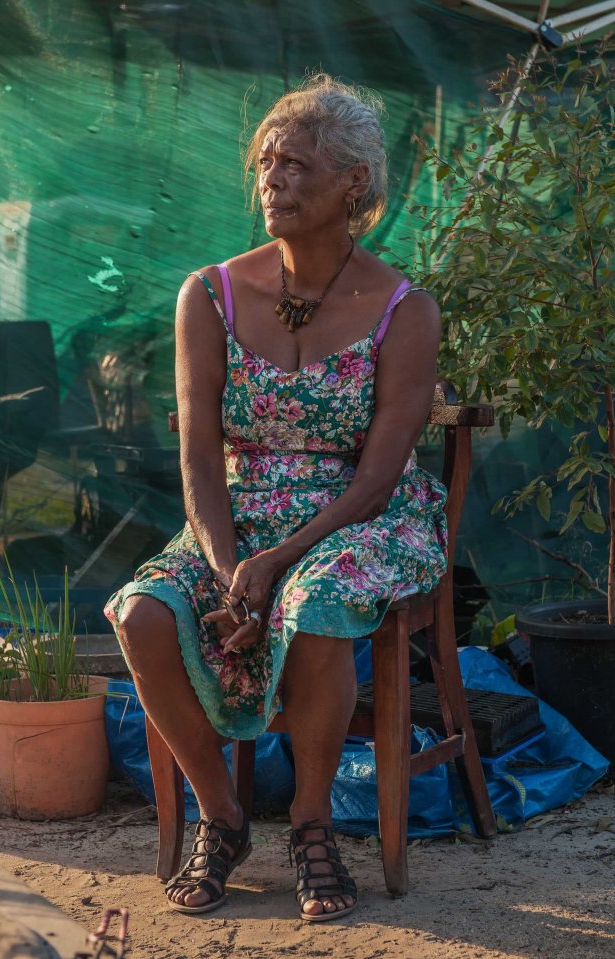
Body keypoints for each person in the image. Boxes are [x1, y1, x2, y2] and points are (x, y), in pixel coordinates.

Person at [105, 74, 447, 922]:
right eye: (265, 163)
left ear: (352, 185)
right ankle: (222, 817)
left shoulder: (407, 310)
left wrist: (274, 564)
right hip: (234, 517)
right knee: (141, 612)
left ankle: (310, 822)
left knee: (317, 598)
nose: (272, 179)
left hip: (360, 518)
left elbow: (377, 479)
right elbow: (197, 456)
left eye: (295, 164)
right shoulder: (209, 295)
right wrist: (229, 569)